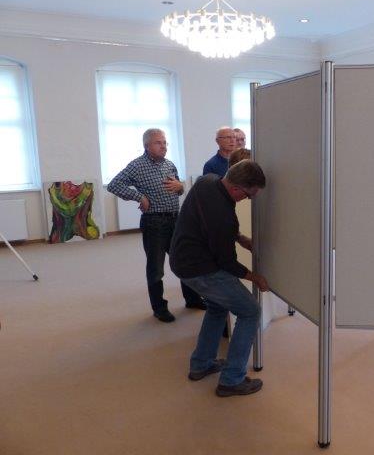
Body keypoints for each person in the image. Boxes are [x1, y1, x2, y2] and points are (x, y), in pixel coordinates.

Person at [170, 160, 269, 397]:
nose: (248, 199)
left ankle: (201, 364)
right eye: (248, 195)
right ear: (236, 188)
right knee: (250, 311)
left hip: (181, 262)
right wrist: (255, 277)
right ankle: (232, 380)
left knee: (217, 306)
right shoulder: (224, 216)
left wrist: (240, 238)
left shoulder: (208, 181)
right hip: (201, 270)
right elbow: (227, 263)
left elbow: (209, 224)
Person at [107, 128, 206, 323]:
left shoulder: (170, 164)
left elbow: (178, 190)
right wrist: (139, 196)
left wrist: (181, 187)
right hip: (154, 223)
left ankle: (192, 299)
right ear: (147, 146)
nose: (164, 146)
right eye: (158, 143)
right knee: (156, 269)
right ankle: (159, 308)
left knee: (184, 261)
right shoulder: (137, 166)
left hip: (176, 220)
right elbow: (114, 185)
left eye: (165, 142)